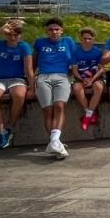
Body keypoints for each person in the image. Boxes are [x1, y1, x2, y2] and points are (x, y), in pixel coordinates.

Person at [0, 19, 32, 149]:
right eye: (10, 34)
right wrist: (1, 29)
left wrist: (32, 86)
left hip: (17, 79)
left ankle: (10, 127)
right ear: (6, 34)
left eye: (16, 34)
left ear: (20, 35)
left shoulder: (24, 47)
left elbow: (29, 69)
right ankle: (1, 131)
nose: (13, 37)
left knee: (19, 96)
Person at [33, 17, 76, 159]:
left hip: (62, 76)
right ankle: (56, 143)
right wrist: (31, 81)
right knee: (48, 110)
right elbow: (33, 62)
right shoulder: (40, 43)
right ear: (46, 31)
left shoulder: (68, 41)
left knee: (59, 106)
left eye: (57, 29)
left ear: (62, 30)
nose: (54, 32)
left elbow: (76, 59)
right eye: (51, 29)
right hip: (43, 77)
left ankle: (54, 142)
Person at [70, 27, 105, 133]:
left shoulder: (98, 52)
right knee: (76, 88)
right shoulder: (75, 52)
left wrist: (91, 79)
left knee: (98, 87)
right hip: (80, 77)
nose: (87, 41)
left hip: (95, 77)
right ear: (81, 39)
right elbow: (74, 70)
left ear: (93, 39)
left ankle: (87, 117)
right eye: (84, 38)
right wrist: (82, 79)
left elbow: (102, 69)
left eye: (89, 38)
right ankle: (89, 114)